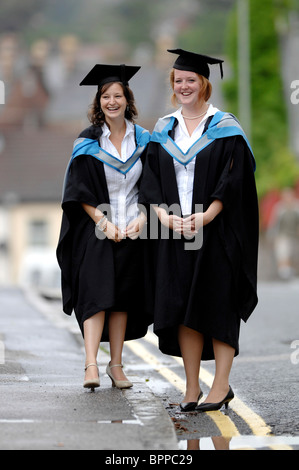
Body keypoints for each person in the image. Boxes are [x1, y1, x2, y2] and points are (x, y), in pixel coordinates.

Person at [139, 49, 259, 412]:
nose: (185, 86)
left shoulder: (225, 128)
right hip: (175, 232)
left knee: (219, 304)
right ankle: (191, 389)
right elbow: (151, 179)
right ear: (173, 87)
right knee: (183, 308)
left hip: (217, 232)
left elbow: (235, 179)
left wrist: (209, 215)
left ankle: (220, 385)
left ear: (204, 83)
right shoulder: (163, 129)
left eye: (191, 80)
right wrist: (163, 215)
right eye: (179, 81)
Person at [56, 64, 151, 391]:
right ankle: (91, 364)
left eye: (118, 95)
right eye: (105, 96)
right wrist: (103, 221)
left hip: (133, 230)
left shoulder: (144, 139)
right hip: (97, 229)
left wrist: (143, 217)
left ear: (128, 99)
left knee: (122, 297)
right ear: (98, 102)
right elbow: (77, 189)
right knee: (96, 295)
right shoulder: (88, 141)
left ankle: (117, 365)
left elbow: (153, 187)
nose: (112, 101)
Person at [269, 187, 299, 280]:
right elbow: (274, 223)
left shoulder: (297, 207)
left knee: (293, 254)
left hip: (295, 235)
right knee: (283, 251)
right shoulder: (279, 208)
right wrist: (272, 236)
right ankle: (284, 273)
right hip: (283, 235)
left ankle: (290, 272)